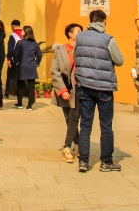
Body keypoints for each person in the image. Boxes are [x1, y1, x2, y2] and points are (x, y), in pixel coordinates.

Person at [74, 9, 124, 173]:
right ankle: (106, 161)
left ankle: (83, 161)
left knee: (86, 125)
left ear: (90, 21)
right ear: (103, 21)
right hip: (104, 88)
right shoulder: (108, 39)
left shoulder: (79, 37)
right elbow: (119, 60)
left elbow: (76, 57)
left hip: (84, 85)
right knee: (106, 125)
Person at [51, 23, 82, 163]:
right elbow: (55, 72)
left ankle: (67, 147)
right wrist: (62, 90)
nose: (81, 34)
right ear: (70, 34)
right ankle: (78, 145)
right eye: (78, 31)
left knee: (74, 117)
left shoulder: (82, 50)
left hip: (79, 89)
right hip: (65, 88)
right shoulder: (60, 51)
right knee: (69, 119)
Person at [13, 25, 42, 110]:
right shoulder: (35, 44)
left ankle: (20, 103)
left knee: (20, 85)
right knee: (31, 86)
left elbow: (16, 54)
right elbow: (39, 55)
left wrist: (17, 63)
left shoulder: (20, 42)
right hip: (31, 66)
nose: (21, 32)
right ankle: (30, 105)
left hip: (22, 66)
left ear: (26, 32)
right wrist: (36, 63)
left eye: (22, 30)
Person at [6, 20, 23, 100]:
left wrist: (9, 59)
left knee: (11, 76)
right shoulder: (24, 35)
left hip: (14, 58)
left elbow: (10, 49)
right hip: (23, 59)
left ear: (12, 26)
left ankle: (7, 93)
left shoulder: (13, 35)